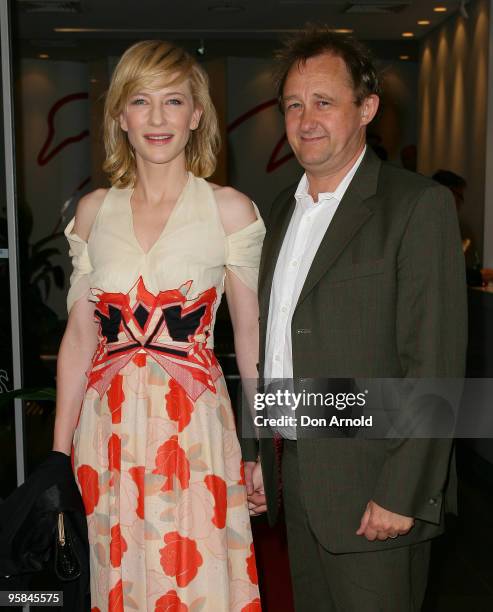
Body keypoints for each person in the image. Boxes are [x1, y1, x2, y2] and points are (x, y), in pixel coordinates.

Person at [244, 27, 467, 611]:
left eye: (324, 102)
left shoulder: (416, 206)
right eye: (294, 104)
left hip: (378, 494)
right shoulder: (279, 211)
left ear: (366, 108)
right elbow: (276, 346)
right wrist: (261, 449)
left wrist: (404, 491)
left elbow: (436, 363)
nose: (305, 119)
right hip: (302, 486)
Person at [52, 40, 264, 611]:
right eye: (141, 101)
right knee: (109, 572)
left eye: (174, 102)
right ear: (120, 115)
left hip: (193, 431)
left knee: (191, 578)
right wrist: (56, 455)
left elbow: (251, 343)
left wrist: (263, 445)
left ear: (197, 115)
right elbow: (78, 339)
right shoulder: (93, 212)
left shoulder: (230, 210)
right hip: (105, 431)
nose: (157, 118)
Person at [432, 169, 493, 286]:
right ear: (447, 193)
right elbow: (447, 271)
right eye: (460, 197)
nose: (460, 204)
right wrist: (480, 276)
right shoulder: (434, 227)